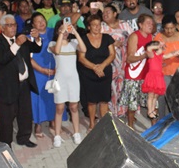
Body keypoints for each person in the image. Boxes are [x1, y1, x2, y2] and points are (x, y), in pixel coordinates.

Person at [0, 14, 42, 147]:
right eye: (10, 25)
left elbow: (36, 48)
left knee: (25, 113)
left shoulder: (21, 38)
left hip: (23, 83)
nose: (13, 28)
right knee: (6, 118)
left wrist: (37, 38)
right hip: (7, 86)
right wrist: (16, 44)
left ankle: (24, 137)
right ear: (2, 28)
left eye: (15, 25)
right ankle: (6, 144)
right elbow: (2, 59)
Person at [50, 19, 87, 147]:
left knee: (74, 107)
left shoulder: (74, 43)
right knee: (59, 108)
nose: (65, 32)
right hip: (60, 80)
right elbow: (58, 51)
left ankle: (76, 132)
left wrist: (75, 32)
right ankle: (57, 135)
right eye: (62, 29)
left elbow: (84, 49)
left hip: (73, 79)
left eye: (66, 30)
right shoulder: (52, 43)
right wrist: (61, 33)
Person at [78, 14, 115, 130]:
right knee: (91, 101)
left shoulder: (107, 38)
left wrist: (102, 66)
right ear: (89, 27)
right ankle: (92, 124)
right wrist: (95, 67)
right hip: (88, 73)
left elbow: (112, 54)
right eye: (94, 25)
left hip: (105, 72)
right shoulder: (83, 39)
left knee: (104, 100)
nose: (97, 27)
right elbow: (81, 58)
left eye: (99, 25)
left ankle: (103, 125)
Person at [119, 14, 155, 128]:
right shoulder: (134, 36)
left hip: (146, 74)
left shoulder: (151, 37)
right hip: (134, 74)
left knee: (152, 101)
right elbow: (129, 58)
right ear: (140, 24)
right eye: (148, 23)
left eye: (152, 23)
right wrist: (145, 55)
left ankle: (154, 126)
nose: (151, 25)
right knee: (132, 104)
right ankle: (130, 126)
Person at [101, 4, 133, 117]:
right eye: (103, 12)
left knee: (123, 84)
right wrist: (112, 43)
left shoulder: (124, 24)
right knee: (110, 85)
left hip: (124, 60)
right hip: (108, 61)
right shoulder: (101, 27)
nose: (105, 14)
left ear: (115, 14)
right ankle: (111, 111)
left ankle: (122, 111)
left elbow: (133, 38)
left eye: (108, 12)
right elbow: (97, 42)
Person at [28, 13, 56, 139]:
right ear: (33, 25)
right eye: (37, 21)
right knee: (38, 98)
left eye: (42, 20)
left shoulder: (53, 32)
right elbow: (29, 59)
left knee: (52, 96)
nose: (41, 23)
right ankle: (38, 123)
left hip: (54, 70)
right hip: (38, 72)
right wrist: (41, 70)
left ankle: (52, 120)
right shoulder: (30, 38)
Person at [141, 41, 179, 120]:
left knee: (155, 96)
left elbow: (169, 55)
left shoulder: (160, 57)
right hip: (152, 76)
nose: (162, 49)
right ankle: (149, 111)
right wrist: (159, 45)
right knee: (151, 95)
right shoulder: (152, 55)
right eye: (160, 48)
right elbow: (149, 48)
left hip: (158, 77)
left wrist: (176, 52)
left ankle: (152, 110)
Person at [153, 15, 179, 83]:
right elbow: (155, 56)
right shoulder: (158, 38)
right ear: (163, 27)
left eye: (172, 28)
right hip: (163, 72)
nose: (169, 31)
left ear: (175, 26)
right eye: (166, 28)